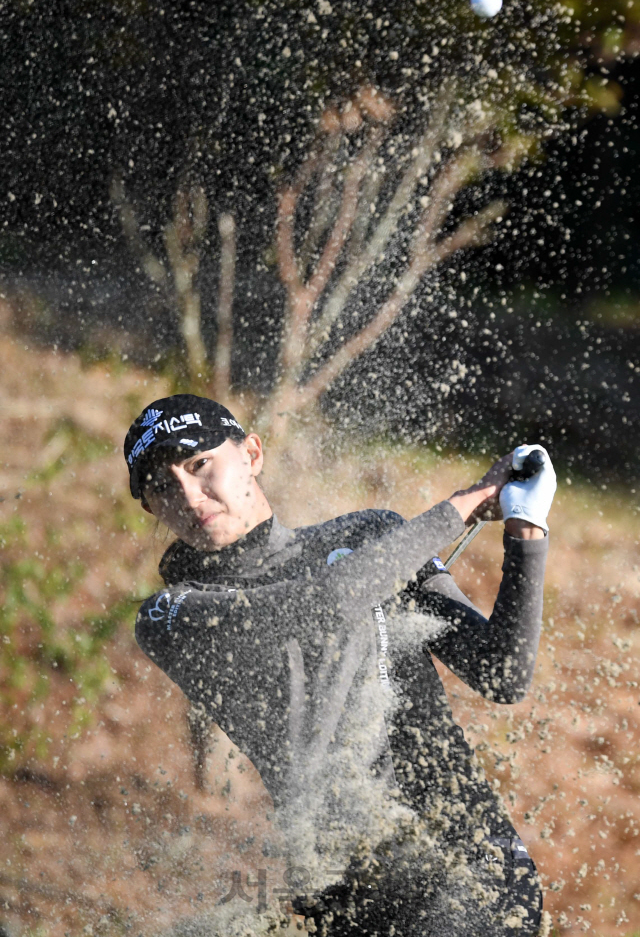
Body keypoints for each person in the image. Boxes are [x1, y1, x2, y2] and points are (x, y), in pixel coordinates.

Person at [124, 393, 556, 936]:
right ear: (151, 507)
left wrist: (524, 525)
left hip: (472, 862)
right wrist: (464, 504)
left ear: (251, 453)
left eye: (199, 464)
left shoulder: (369, 538)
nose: (188, 494)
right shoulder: (174, 614)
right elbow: (322, 605)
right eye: (163, 486)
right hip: (351, 892)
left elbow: (502, 673)